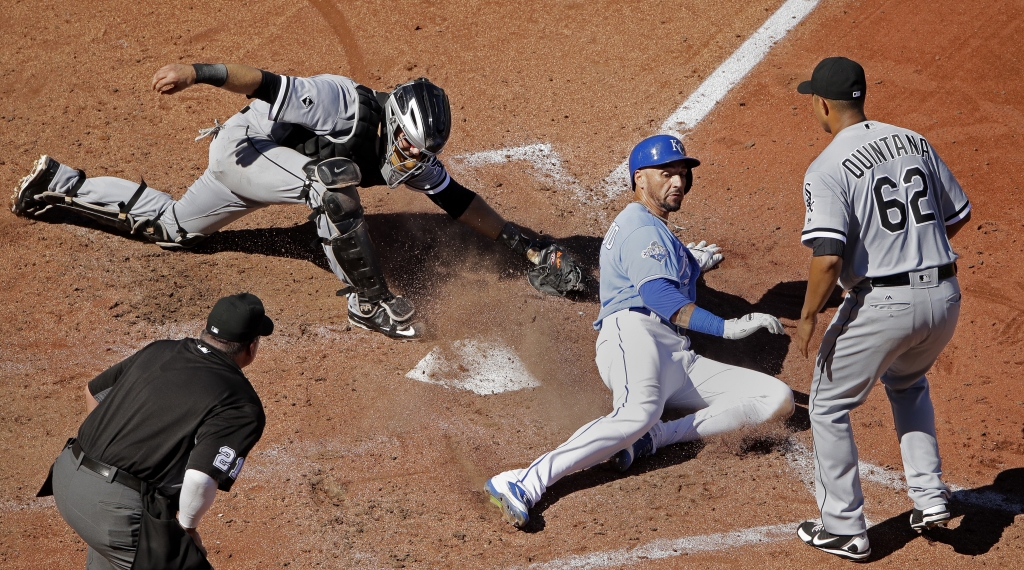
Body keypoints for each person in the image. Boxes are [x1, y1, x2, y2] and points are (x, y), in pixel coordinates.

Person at [10, 63, 584, 340]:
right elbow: (265, 84)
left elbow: (458, 200)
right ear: (393, 119)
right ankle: (370, 302)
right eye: (408, 142)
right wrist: (198, 72)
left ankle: (58, 185)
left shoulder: (413, 154)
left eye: (423, 149)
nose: (413, 156)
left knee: (176, 230)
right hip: (246, 150)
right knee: (330, 185)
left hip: (277, 173)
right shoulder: (341, 103)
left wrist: (520, 242)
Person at [483, 134, 795, 528]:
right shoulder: (639, 226)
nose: (678, 182)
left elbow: (669, 270)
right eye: (667, 173)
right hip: (634, 336)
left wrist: (691, 261)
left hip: (677, 357)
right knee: (636, 412)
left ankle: (655, 438)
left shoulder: (656, 231)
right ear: (639, 179)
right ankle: (523, 481)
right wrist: (727, 327)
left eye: (682, 174)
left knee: (777, 398)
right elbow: (660, 296)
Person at [792, 57, 972, 561]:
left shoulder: (826, 166)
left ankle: (844, 527)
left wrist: (808, 317)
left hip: (885, 304)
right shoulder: (914, 140)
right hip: (945, 297)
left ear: (822, 104)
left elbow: (827, 260)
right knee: (908, 382)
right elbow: (956, 215)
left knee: (827, 405)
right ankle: (931, 498)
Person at [36, 293, 274, 569]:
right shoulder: (241, 403)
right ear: (252, 346)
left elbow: (93, 392)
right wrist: (185, 531)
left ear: (208, 330)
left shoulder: (159, 349)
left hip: (66, 476)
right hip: (114, 512)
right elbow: (199, 479)